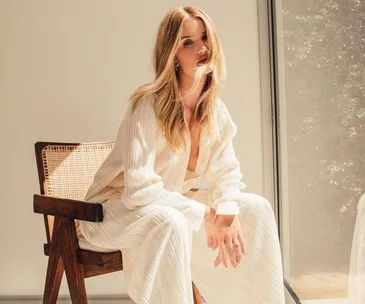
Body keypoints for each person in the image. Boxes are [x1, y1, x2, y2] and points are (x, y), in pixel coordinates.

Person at [79, 5, 285, 304]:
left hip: (168, 206)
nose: (201, 48)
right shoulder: (147, 106)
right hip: (110, 212)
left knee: (255, 207)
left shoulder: (215, 111)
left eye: (205, 38)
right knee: (172, 221)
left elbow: (228, 173)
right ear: (171, 54)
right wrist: (205, 215)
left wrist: (225, 213)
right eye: (187, 42)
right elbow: (139, 190)